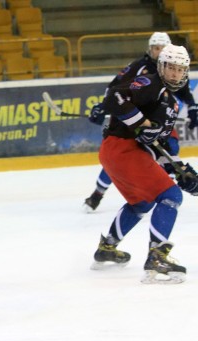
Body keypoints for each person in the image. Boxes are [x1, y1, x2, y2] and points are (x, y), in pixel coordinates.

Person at [91, 44, 198, 284]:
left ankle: (107, 247)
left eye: (180, 70)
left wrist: (181, 172)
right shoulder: (151, 83)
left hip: (118, 152)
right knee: (171, 197)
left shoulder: (171, 102)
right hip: (122, 148)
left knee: (142, 202)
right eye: (170, 67)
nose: (175, 74)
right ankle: (157, 257)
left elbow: (159, 146)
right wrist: (141, 122)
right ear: (161, 66)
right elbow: (115, 97)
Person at [83, 32, 198, 211]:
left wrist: (192, 106)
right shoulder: (138, 67)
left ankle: (162, 184)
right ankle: (98, 192)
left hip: (158, 118)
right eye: (156, 48)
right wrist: (103, 106)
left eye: (162, 48)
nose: (159, 52)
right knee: (122, 154)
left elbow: (183, 91)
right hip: (131, 119)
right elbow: (115, 88)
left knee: (170, 147)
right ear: (149, 49)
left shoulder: (172, 65)